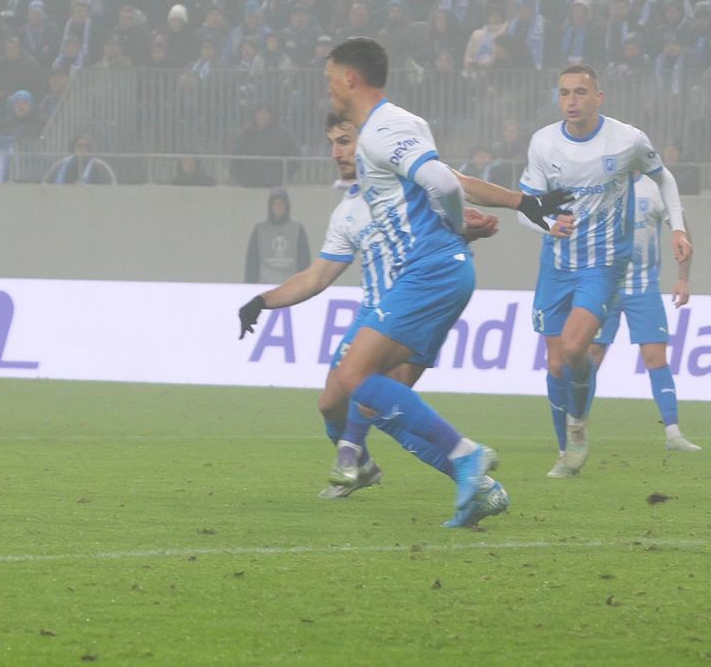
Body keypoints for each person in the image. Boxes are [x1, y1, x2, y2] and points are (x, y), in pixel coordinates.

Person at [239, 113, 566, 514]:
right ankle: (361, 464)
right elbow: (317, 275)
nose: (337, 152)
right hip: (374, 311)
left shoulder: (402, 173)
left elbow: (456, 182)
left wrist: (518, 203)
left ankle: (477, 480)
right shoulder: (346, 212)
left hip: (416, 301)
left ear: (368, 141)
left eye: (345, 140)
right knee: (330, 404)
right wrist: (262, 301)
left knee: (379, 406)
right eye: (333, 143)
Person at [312, 37, 504, 527]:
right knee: (379, 394)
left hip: (429, 271)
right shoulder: (397, 130)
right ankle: (477, 489)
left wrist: (459, 227)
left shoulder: (382, 130)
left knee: (356, 379)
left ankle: (463, 456)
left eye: (331, 76)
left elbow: (442, 182)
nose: (328, 87)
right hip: (432, 273)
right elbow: (433, 187)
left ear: (349, 78)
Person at [520, 64, 692, 478]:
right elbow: (525, 208)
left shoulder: (627, 140)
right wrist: (546, 222)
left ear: (599, 97)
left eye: (580, 92)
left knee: (576, 347)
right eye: (564, 93)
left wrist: (679, 226)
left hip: (604, 264)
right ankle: (566, 450)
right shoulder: (543, 144)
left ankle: (578, 425)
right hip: (557, 265)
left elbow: (663, 178)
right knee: (557, 362)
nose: (572, 101)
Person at [589, 173, 699, 453]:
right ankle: (574, 431)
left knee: (656, 358)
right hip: (605, 287)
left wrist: (683, 279)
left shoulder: (655, 188)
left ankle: (673, 433)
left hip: (643, 289)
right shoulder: (600, 186)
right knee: (591, 357)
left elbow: (683, 233)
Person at [243, 187, 311, 284]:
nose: (278, 207)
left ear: (287, 206)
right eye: (275, 203)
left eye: (281, 203)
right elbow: (252, 262)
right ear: (270, 206)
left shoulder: (297, 228)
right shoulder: (260, 229)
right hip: (264, 286)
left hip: (291, 286)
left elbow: (304, 260)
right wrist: (249, 286)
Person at [42, 135, 117, 184]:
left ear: (90, 148)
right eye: (79, 145)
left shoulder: (100, 166)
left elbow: (112, 184)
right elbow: (45, 182)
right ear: (73, 147)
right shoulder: (62, 164)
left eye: (86, 146)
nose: (82, 148)